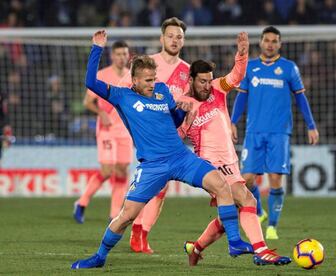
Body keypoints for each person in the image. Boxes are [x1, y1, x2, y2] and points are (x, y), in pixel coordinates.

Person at [71, 30, 251, 269]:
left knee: (221, 185)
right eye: (147, 80)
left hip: (180, 157)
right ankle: (99, 257)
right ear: (134, 80)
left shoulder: (163, 91)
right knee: (126, 216)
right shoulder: (121, 95)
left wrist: (183, 110)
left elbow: (173, 121)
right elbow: (90, 82)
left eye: (153, 78)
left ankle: (235, 241)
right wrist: (97, 48)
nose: (152, 83)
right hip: (152, 166)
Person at [180, 32, 291, 266]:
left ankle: (196, 247)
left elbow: (236, 75)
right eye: (202, 81)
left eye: (209, 80)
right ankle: (262, 251)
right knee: (248, 200)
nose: (207, 85)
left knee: (227, 213)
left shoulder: (217, 89)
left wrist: (242, 54)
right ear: (191, 80)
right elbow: (176, 137)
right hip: (210, 164)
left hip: (230, 161)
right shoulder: (184, 105)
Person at [230, 26, 319, 240]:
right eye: (267, 40)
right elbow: (241, 97)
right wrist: (232, 122)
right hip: (254, 132)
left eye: (274, 41)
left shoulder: (289, 68)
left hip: (279, 133)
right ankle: (259, 212)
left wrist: (311, 125)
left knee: (275, 180)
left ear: (280, 44)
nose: (270, 44)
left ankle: (272, 226)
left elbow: (300, 98)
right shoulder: (250, 68)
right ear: (260, 42)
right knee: (247, 180)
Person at [118, 17, 191, 254]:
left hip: (173, 138)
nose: (174, 40)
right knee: (152, 186)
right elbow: (123, 92)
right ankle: (137, 231)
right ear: (162, 38)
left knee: (162, 189)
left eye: (179, 36)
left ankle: (141, 233)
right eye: (170, 36)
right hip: (148, 139)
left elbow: (190, 103)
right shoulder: (148, 64)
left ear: (183, 40)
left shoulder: (187, 71)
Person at [73, 41, 132, 224]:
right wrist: (101, 113)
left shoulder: (132, 76)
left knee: (122, 170)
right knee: (107, 170)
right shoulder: (102, 75)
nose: (122, 57)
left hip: (125, 130)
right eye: (119, 54)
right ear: (112, 56)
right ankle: (82, 203)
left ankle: (114, 215)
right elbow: (87, 102)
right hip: (106, 129)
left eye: (125, 54)